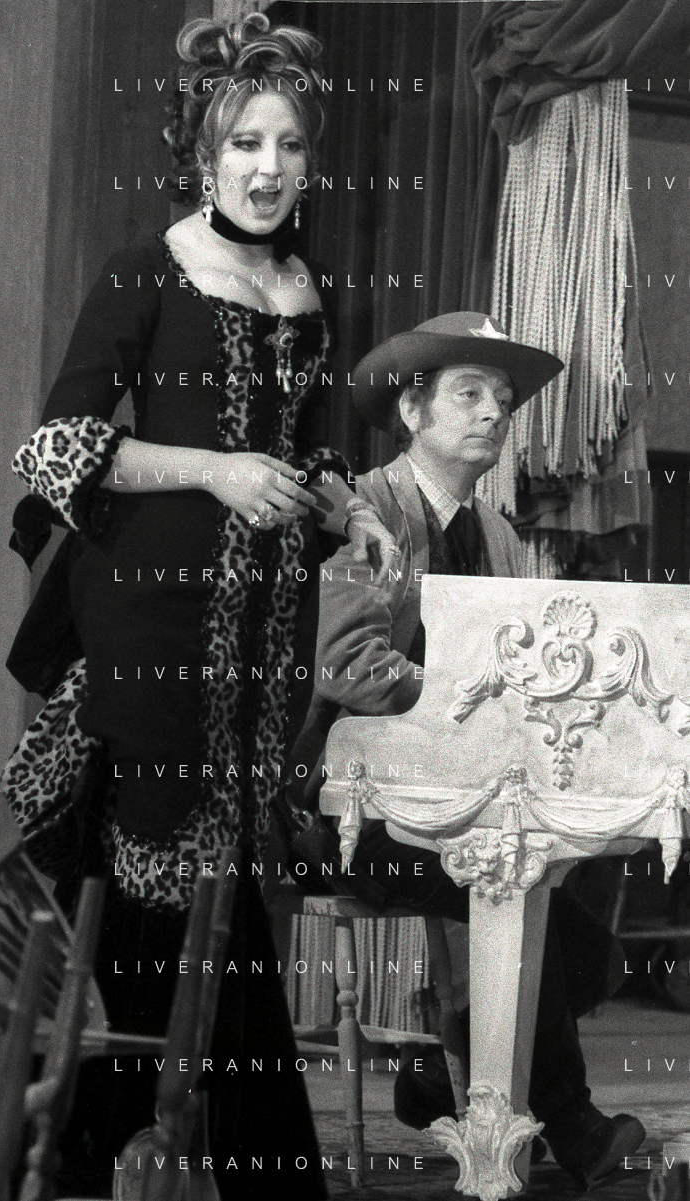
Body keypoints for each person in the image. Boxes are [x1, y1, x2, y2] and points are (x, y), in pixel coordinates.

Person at [3, 14, 397, 1196]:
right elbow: (57, 448)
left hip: (261, 643)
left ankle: (97, 1156)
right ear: (204, 153)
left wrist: (348, 508)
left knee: (214, 910)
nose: (268, 169)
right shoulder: (146, 270)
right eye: (244, 145)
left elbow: (300, 455)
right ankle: (172, 1163)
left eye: (289, 145)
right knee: (164, 903)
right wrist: (212, 470)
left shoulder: (307, 290)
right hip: (151, 630)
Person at [291, 310, 647, 1190]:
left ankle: (437, 1055)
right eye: (469, 393)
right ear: (411, 410)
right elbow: (347, 666)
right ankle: (568, 1121)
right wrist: (465, 690)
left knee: (585, 902)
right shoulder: (363, 510)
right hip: (352, 808)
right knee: (518, 880)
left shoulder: (497, 534)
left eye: (503, 400)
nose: (493, 412)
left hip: (466, 802)